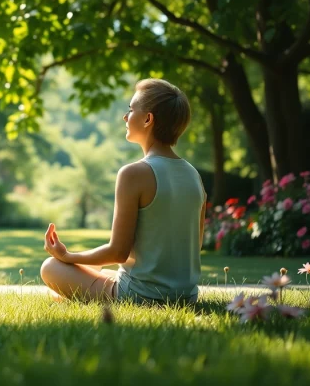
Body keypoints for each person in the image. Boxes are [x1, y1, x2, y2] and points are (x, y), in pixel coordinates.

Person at [40, 78, 206, 304]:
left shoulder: (133, 173)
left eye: (130, 109)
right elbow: (195, 246)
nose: (125, 117)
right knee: (95, 271)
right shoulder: (194, 175)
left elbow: (118, 252)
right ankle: (69, 292)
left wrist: (66, 256)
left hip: (141, 295)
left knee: (51, 267)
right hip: (187, 296)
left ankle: (68, 292)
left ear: (148, 119)